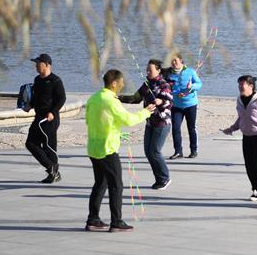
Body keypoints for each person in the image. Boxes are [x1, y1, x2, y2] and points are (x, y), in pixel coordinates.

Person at [84, 69, 156, 232]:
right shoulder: (111, 101)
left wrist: (116, 131)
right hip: (107, 149)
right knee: (116, 185)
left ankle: (93, 219)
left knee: (100, 184)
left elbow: (90, 121)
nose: (123, 85)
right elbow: (128, 119)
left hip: (94, 148)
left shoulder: (94, 98)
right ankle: (116, 221)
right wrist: (145, 112)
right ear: (114, 83)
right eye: (121, 82)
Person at [118, 59, 174, 190]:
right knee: (148, 152)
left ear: (158, 70)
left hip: (162, 123)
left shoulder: (163, 85)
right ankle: (159, 179)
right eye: (147, 69)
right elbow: (135, 98)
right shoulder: (146, 84)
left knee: (155, 152)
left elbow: (170, 102)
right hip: (150, 122)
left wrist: (160, 101)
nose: (148, 72)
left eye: (150, 70)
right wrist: (119, 97)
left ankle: (165, 178)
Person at [25, 53, 66, 183]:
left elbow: (61, 98)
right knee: (30, 143)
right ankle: (52, 169)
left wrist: (53, 112)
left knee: (49, 147)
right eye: (35, 63)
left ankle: (53, 172)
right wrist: (30, 105)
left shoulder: (55, 81)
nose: (36, 66)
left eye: (38, 63)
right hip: (39, 117)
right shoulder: (37, 80)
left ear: (47, 65)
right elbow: (36, 97)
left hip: (50, 119)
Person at [166, 54, 202, 159]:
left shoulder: (190, 72)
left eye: (175, 60)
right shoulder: (168, 74)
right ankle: (178, 151)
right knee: (175, 128)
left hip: (190, 104)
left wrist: (192, 87)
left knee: (191, 128)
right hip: (176, 105)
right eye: (172, 61)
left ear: (181, 61)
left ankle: (194, 150)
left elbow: (199, 84)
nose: (173, 63)